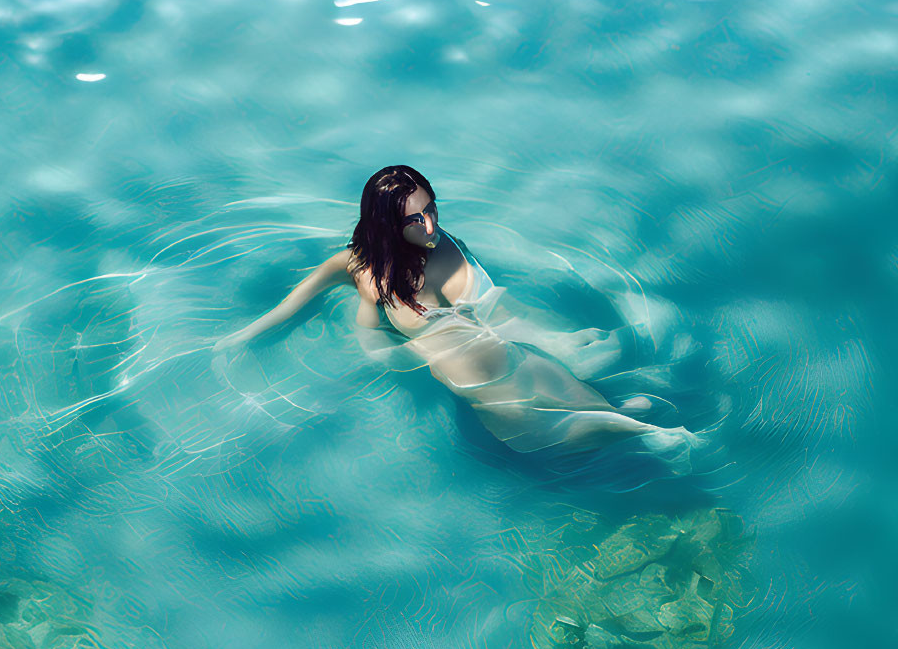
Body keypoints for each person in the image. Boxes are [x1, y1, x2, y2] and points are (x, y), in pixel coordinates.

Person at [217, 163, 700, 467]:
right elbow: (293, 304)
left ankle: (649, 433)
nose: (430, 225)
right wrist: (244, 336)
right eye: (414, 218)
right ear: (388, 225)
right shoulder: (362, 264)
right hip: (498, 357)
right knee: (586, 419)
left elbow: (485, 305)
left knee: (543, 442)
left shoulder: (392, 260)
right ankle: (642, 427)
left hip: (476, 370)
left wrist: (386, 348)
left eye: (431, 210)